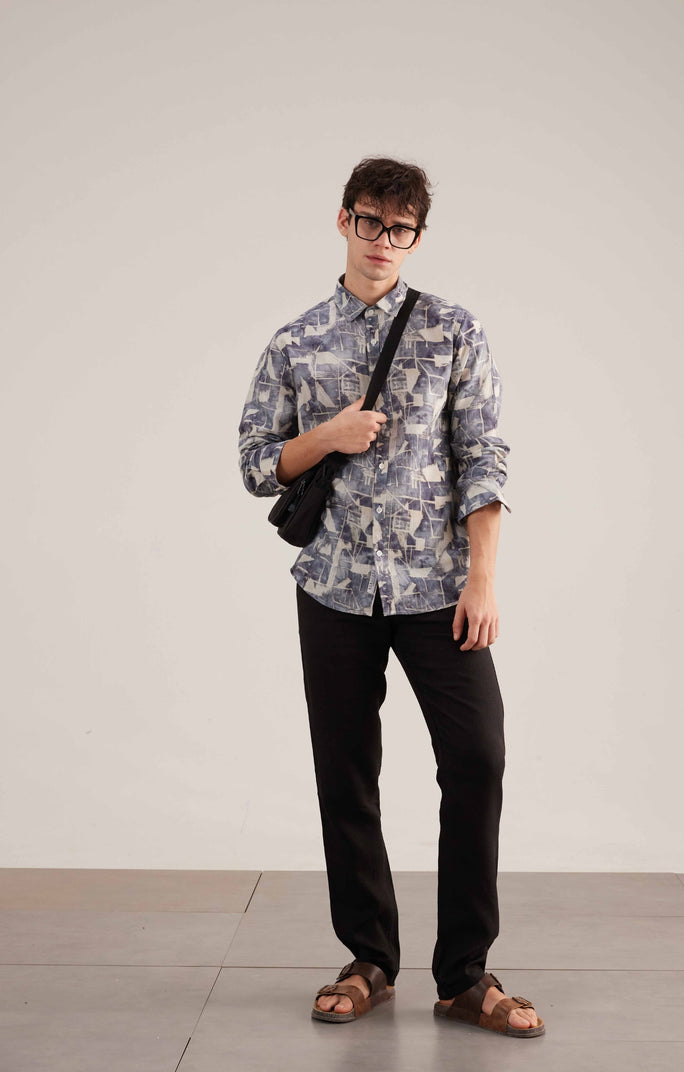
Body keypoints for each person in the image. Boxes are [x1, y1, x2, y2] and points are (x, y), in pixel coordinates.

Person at [237, 157, 544, 1039]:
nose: (382, 240)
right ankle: (368, 959)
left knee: (477, 757)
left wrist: (483, 578)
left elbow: (484, 455)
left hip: (439, 589)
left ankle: (465, 976)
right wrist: (327, 436)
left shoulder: (452, 329)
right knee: (346, 772)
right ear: (344, 220)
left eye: (399, 228)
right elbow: (256, 464)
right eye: (369, 221)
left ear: (416, 238)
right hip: (334, 587)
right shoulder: (296, 342)